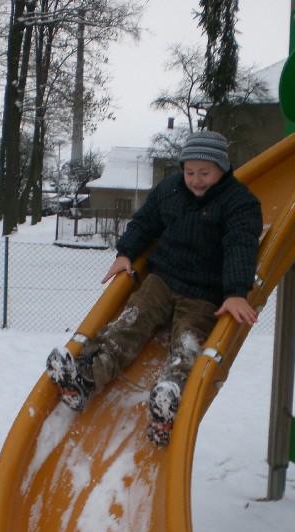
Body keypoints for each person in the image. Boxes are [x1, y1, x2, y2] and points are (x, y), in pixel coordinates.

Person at [46, 130, 263, 446]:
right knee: (129, 321)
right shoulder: (170, 190)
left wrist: (234, 291)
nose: (196, 180)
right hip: (162, 279)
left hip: (205, 292)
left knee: (188, 341)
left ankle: (170, 398)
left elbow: (240, 245)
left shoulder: (239, 203)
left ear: (223, 168)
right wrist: (126, 253)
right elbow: (145, 221)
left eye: (205, 172)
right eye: (190, 172)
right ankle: (86, 378)